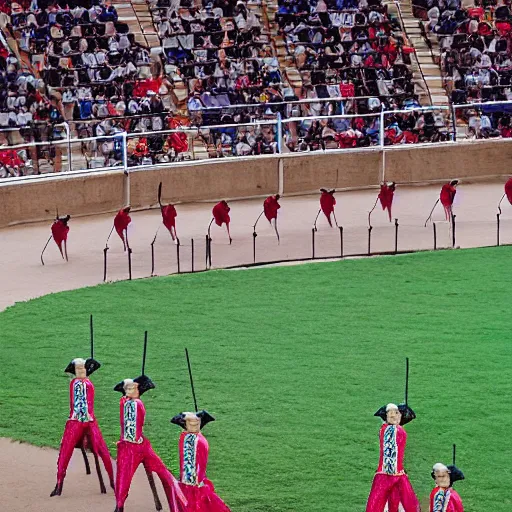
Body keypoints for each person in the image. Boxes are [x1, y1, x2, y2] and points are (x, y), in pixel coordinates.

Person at [113, 376, 186, 512]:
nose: (130, 390)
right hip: (128, 448)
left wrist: (140, 386)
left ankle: (177, 505)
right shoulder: (125, 402)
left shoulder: (136, 403)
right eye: (127, 389)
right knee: (123, 479)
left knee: (164, 473)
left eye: (133, 388)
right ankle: (119, 506)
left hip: (142, 445)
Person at [51, 358, 114, 497]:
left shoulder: (89, 384)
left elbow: (96, 365)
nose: (81, 371)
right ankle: (59, 482)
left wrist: (91, 363)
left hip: (90, 421)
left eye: (83, 368)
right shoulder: (73, 384)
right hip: (74, 422)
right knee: (65, 451)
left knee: (103, 449)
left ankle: (112, 480)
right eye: (78, 369)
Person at [170, 410, 231, 512]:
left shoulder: (194, 440)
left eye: (196, 423)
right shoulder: (190, 438)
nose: (194, 425)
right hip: (192, 484)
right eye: (191, 423)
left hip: (193, 487)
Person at [365, 403, 420, 512]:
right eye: (391, 413)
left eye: (397, 413)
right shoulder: (393, 430)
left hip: (391, 476)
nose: (394, 415)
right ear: (386, 416)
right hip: (391, 476)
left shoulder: (386, 429)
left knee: (383, 505)